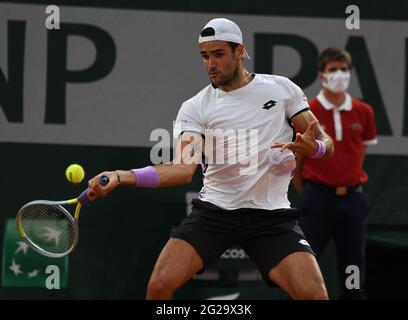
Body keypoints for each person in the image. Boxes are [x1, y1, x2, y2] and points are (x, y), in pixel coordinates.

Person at [87, 18, 334, 300]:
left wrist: (314, 148)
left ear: (239, 51)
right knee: (158, 288)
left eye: (219, 54)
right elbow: (181, 170)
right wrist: (122, 176)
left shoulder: (282, 90)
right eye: (205, 56)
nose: (211, 64)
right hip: (216, 212)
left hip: (272, 216)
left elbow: (327, 143)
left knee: (316, 296)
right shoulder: (195, 108)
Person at [293, 48, 378, 300]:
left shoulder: (364, 112)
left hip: (352, 200)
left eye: (343, 70)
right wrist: (310, 190)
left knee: (353, 268)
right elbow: (298, 162)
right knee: (301, 264)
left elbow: (359, 153)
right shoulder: (309, 111)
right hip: (317, 198)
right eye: (333, 70)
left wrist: (346, 181)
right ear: (322, 75)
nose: (339, 75)